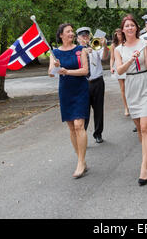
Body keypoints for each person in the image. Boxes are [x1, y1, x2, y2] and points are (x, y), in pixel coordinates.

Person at [114, 14, 147, 186]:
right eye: (127, 26)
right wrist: (131, 58)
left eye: (132, 25)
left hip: (146, 83)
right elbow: (120, 71)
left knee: (146, 127)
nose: (130, 28)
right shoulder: (119, 50)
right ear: (122, 30)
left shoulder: (144, 43)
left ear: (137, 28)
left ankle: (143, 167)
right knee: (139, 128)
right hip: (131, 86)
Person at [48, 23, 89, 179]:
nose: (71, 33)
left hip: (80, 90)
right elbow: (51, 74)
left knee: (79, 125)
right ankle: (80, 158)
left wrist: (67, 71)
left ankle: (81, 161)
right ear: (61, 35)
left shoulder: (80, 50)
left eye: (72, 31)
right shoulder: (55, 53)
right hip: (65, 91)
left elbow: (85, 70)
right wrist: (56, 67)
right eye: (68, 31)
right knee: (72, 127)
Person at [76, 27, 109, 144]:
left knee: (98, 109)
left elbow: (104, 57)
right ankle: (82, 134)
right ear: (78, 38)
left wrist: (104, 46)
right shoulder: (76, 50)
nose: (85, 38)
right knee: (84, 111)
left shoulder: (96, 45)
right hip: (83, 83)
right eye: (82, 36)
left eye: (86, 35)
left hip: (97, 81)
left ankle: (98, 133)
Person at [110, 28, 129, 116]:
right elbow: (112, 58)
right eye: (118, 34)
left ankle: (131, 104)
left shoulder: (127, 42)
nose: (119, 36)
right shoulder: (114, 45)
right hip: (118, 66)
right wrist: (111, 67)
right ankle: (126, 107)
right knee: (122, 89)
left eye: (121, 34)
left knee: (129, 86)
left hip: (126, 65)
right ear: (116, 35)